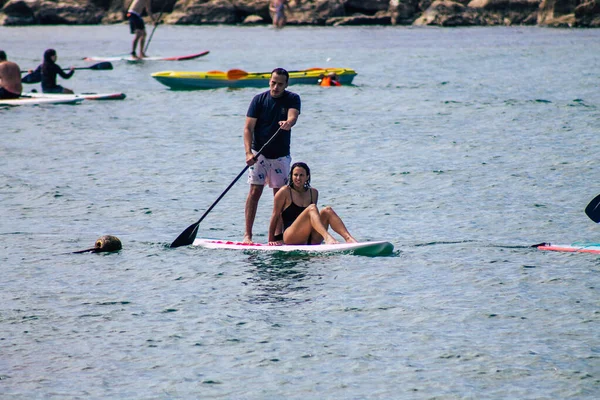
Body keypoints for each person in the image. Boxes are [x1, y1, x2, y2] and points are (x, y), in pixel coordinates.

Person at [243, 68, 301, 244]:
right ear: (269, 81)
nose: (276, 87)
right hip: (259, 155)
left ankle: (277, 237)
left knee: (280, 196)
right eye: (273, 82)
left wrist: (288, 123)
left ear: (286, 84)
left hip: (280, 156)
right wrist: (248, 153)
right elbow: (248, 128)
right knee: (254, 192)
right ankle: (248, 235)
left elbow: (293, 116)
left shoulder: (292, 98)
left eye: (280, 84)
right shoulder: (258, 100)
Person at [268, 162, 357, 246]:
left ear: (307, 177)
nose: (298, 178)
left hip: (309, 237)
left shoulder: (313, 193)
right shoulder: (284, 192)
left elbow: (314, 219)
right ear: (291, 176)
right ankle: (327, 238)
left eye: (301, 175)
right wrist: (272, 240)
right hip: (291, 237)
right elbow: (275, 215)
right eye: (295, 175)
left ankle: (348, 238)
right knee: (312, 208)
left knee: (327, 210)